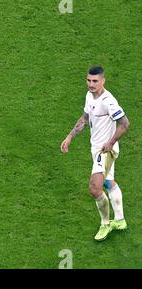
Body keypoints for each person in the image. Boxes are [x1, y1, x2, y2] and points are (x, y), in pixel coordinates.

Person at [60, 65, 130, 241]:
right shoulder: (89, 96)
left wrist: (111, 142)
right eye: (89, 80)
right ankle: (120, 220)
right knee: (108, 181)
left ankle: (105, 224)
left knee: (94, 188)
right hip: (96, 148)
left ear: (103, 81)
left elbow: (125, 124)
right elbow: (84, 118)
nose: (91, 84)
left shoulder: (108, 101)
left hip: (105, 150)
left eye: (95, 81)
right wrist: (69, 137)